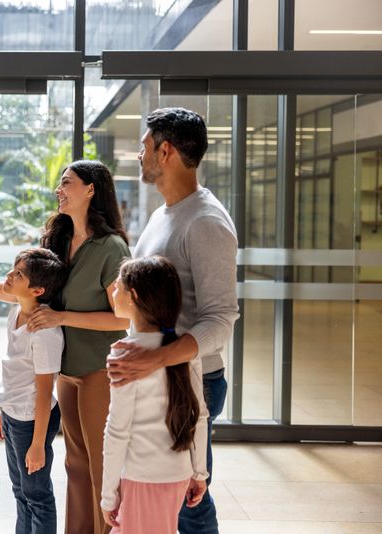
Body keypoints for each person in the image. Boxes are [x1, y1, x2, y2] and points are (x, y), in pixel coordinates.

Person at [0, 160, 131, 534]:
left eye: (67, 182)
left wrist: (62, 319)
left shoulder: (111, 248)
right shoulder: (58, 240)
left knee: (102, 466)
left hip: (100, 370)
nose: (59, 189)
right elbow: (25, 295)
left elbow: (123, 319)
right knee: (76, 465)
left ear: (90, 190)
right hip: (66, 372)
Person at [107, 107, 239, 534]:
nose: (138, 155)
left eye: (144, 147)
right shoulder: (166, 212)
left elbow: (221, 320)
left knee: (188, 501)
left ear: (165, 151)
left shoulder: (205, 222)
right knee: (168, 497)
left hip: (189, 381)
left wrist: (157, 359)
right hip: (158, 375)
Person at [100, 256, 208, 534]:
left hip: (142, 476)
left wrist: (108, 495)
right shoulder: (184, 347)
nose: (112, 291)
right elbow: (199, 416)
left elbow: (117, 431)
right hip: (178, 474)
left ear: (133, 295)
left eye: (118, 286)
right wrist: (199, 473)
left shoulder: (125, 354)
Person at [0, 247, 67, 534]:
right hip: (14, 414)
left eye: (18, 274)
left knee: (37, 496)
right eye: (13, 268)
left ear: (38, 290)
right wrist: (3, 413)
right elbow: (15, 375)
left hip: (31, 420)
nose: (9, 275)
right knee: (21, 491)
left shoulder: (44, 333)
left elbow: (45, 393)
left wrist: (38, 445)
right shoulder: (15, 314)